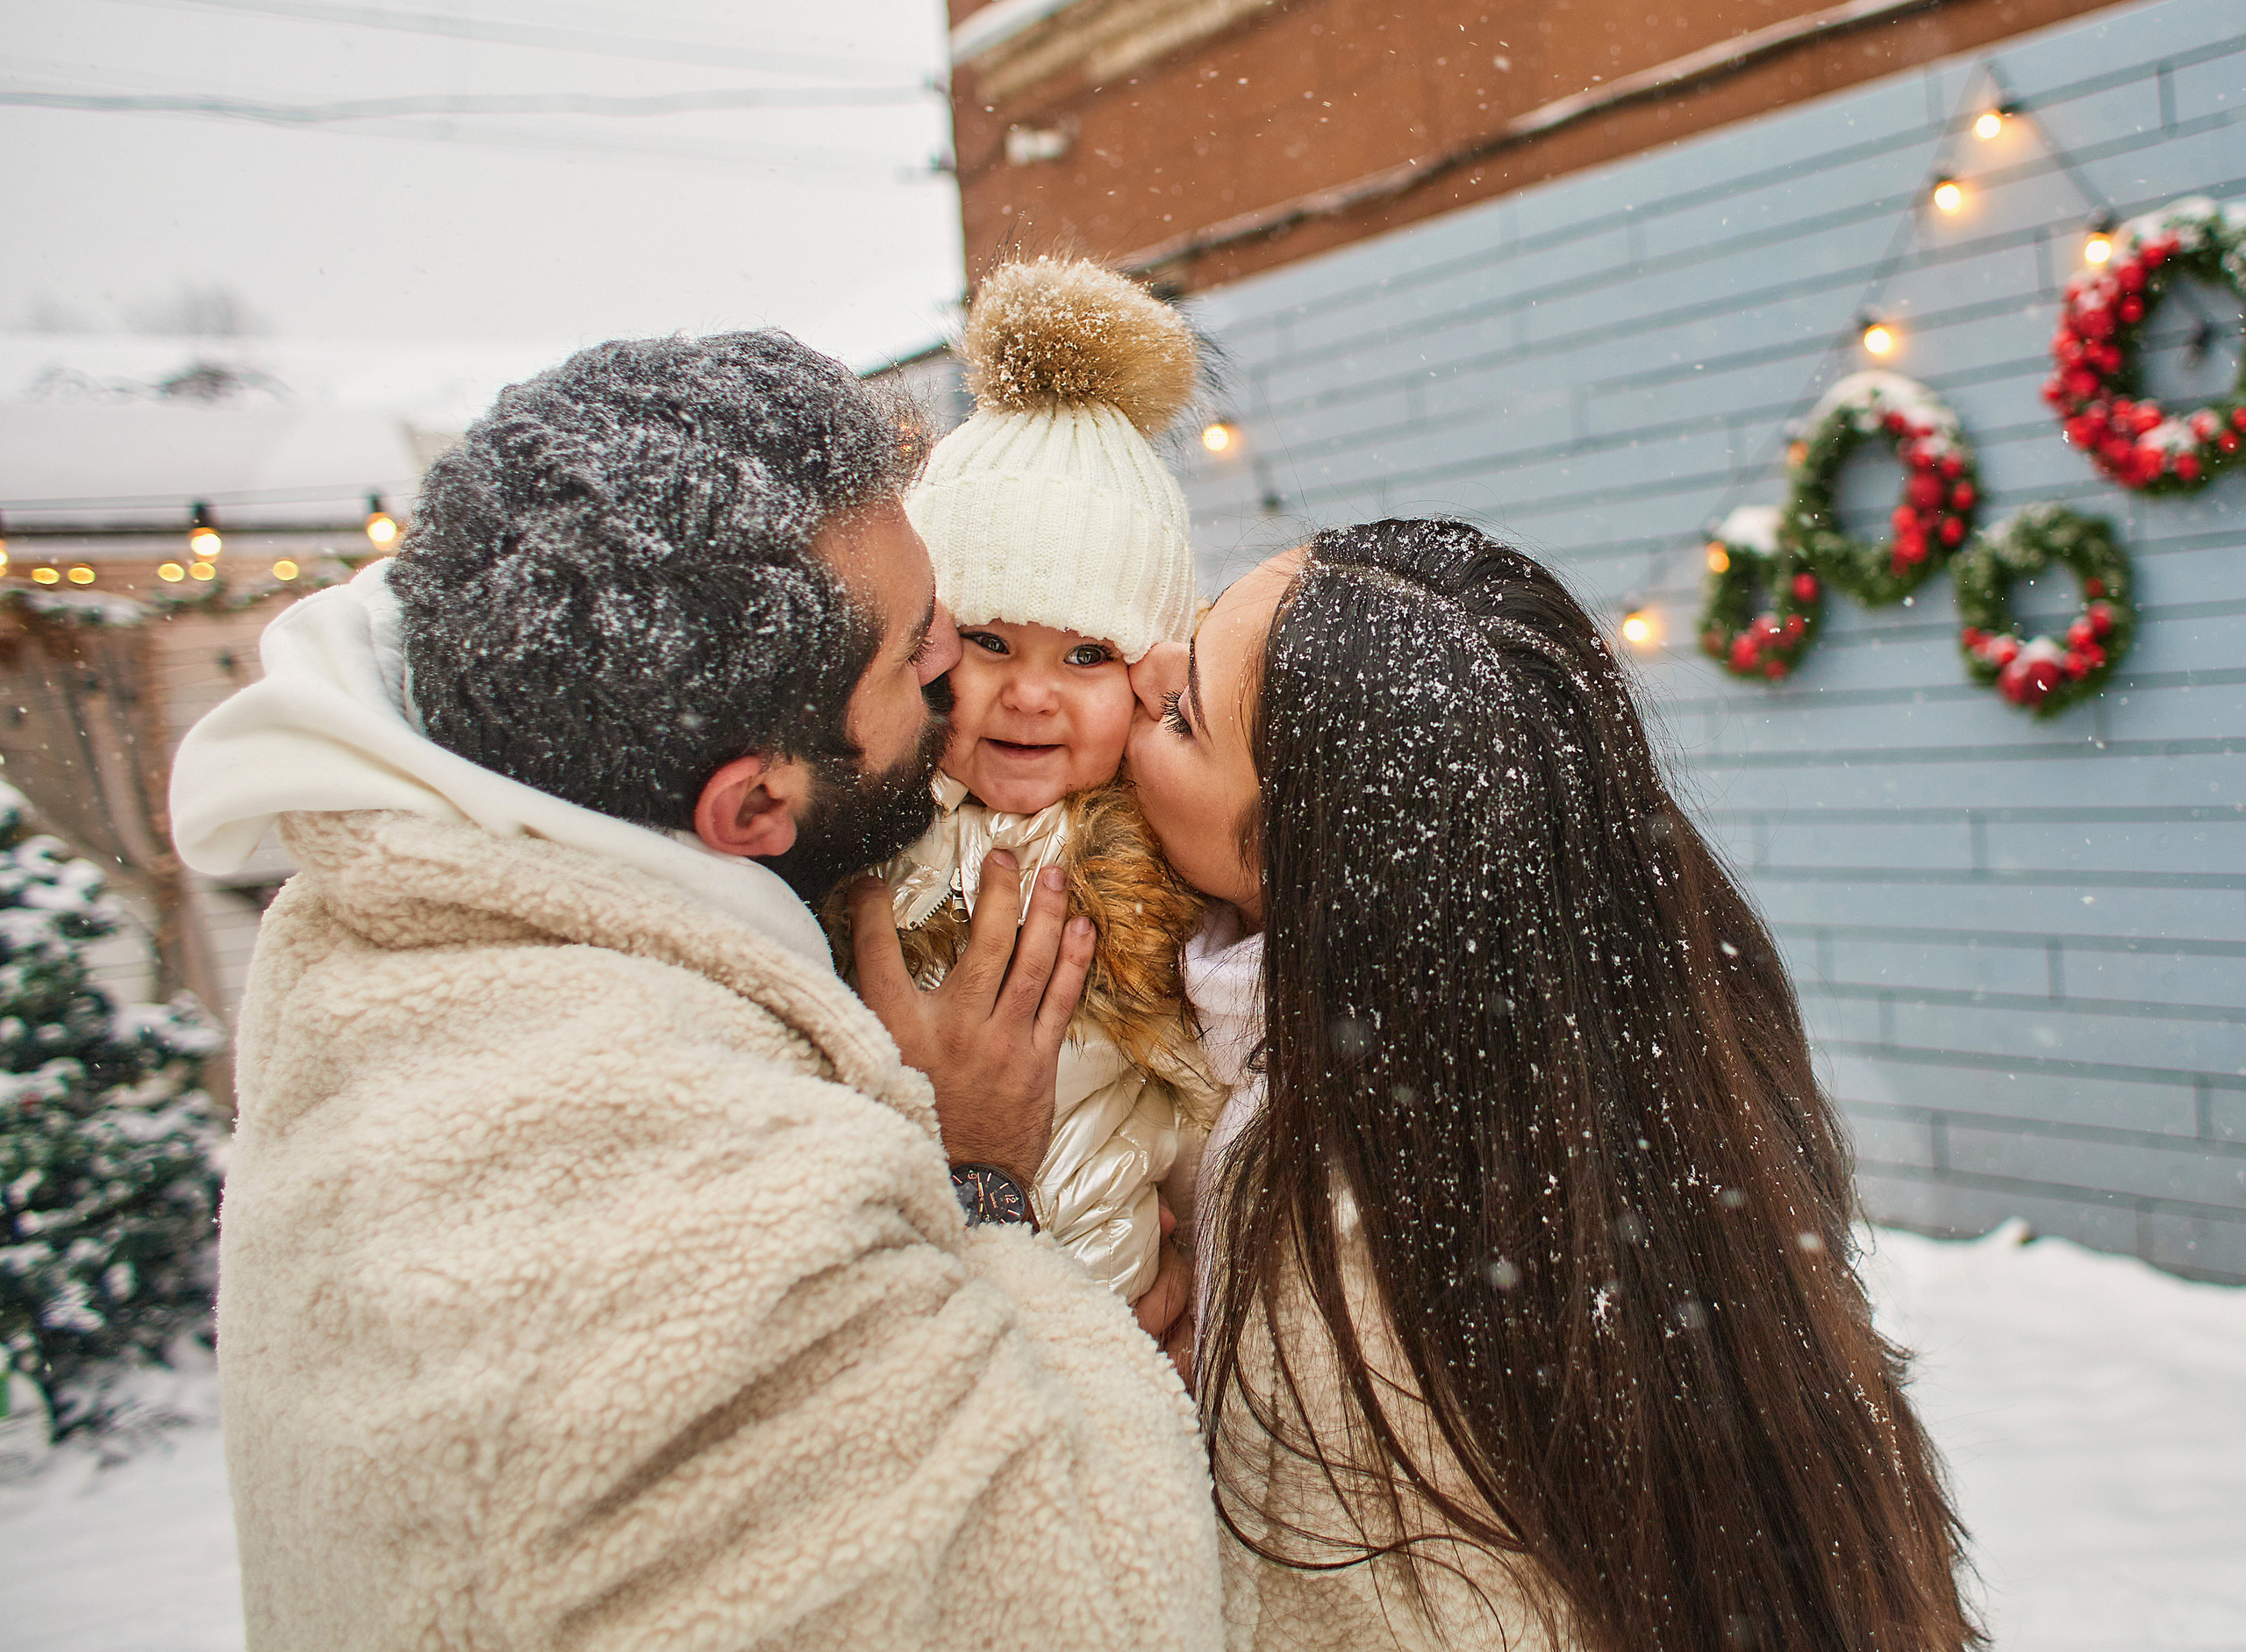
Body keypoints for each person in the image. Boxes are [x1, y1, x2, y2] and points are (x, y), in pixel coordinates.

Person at [168, 332, 1221, 1649]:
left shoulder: (447, 850)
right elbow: (1087, 1600)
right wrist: (978, 1192)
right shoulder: (686, 1163)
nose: (962, 659)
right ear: (753, 807)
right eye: (920, 650)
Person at [1122, 518, 1983, 1651]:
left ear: (1303, 858)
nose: (1139, 668)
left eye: (1183, 715)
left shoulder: (1346, 1235)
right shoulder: (1633, 1045)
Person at [839, 256, 1220, 1303]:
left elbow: (1220, 1110)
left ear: (1149, 675)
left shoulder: (1172, 860)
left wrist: (1209, 1280)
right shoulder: (864, 833)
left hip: (1112, 1316)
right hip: (909, 1293)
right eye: (991, 641)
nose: (1031, 695)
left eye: (1087, 654)